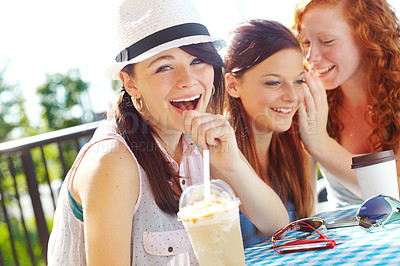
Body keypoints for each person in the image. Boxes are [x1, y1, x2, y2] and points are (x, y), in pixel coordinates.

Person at [47, 0, 289, 265]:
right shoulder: (113, 161)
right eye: (164, 66)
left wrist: (232, 165)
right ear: (130, 82)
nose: (188, 79)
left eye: (197, 60)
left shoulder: (198, 137)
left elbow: (277, 225)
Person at [292, 0, 400, 207]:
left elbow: (393, 199)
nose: (311, 56)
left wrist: (320, 144)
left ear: (368, 37)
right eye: (305, 42)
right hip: (342, 235)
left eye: (327, 41)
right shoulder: (313, 98)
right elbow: (305, 206)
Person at [224, 19, 316, 248]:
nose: (292, 96)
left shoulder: (299, 152)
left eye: (298, 81)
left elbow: (308, 237)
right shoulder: (215, 156)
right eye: (274, 83)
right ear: (233, 86)